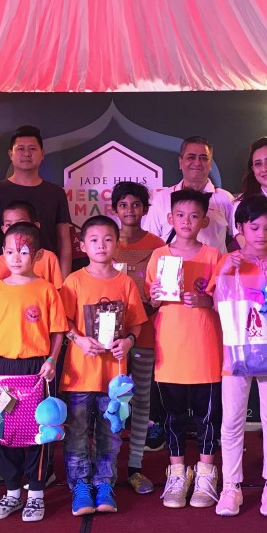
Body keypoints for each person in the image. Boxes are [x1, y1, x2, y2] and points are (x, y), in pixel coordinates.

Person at [209, 195, 267, 518]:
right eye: (254, 226)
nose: (261, 233)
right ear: (240, 228)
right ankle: (231, 486)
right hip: (235, 356)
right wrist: (223, 275)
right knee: (231, 421)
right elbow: (214, 305)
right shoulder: (227, 260)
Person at [0, 222, 67, 522]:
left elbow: (58, 332)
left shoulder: (47, 289)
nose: (16, 257)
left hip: (35, 368)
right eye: (11, 251)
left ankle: (36, 492)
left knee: (39, 433)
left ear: (38, 255)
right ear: (2, 253)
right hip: (0, 369)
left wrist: (51, 360)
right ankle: (12, 491)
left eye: (24, 252)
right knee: (1, 432)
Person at [59, 216, 148, 515]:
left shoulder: (125, 283)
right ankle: (80, 487)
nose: (101, 245)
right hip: (79, 376)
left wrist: (129, 342)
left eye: (108, 239)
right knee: (78, 432)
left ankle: (104, 484)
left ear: (117, 244)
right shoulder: (73, 280)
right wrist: (79, 340)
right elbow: (62, 323)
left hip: (116, 379)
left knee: (111, 433)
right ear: (82, 245)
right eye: (94, 240)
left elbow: (136, 325)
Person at [145, 189, 223, 509]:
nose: (187, 221)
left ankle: (206, 473)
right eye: (180, 215)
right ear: (170, 218)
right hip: (170, 352)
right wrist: (157, 294)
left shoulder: (214, 256)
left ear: (204, 220)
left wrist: (205, 300)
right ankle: (177, 473)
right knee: (173, 417)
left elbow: (223, 301)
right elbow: (152, 300)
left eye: (194, 216)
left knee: (207, 418)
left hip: (206, 351)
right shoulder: (158, 256)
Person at [111, 181, 167, 492]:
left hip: (144, 334)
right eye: (123, 205)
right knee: (108, 399)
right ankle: (106, 467)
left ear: (145, 209)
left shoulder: (158, 245)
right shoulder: (106, 241)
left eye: (136, 205)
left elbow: (161, 290)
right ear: (115, 209)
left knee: (141, 400)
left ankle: (135, 467)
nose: (130, 210)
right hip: (109, 341)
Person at [0, 125, 73, 289]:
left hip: (46, 279)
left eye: (32, 149)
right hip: (3, 280)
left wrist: (64, 287)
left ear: (42, 154)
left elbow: (64, 243)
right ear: (10, 154)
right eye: (20, 149)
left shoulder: (56, 193)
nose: (27, 154)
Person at [143, 136, 235, 254]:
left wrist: (227, 260)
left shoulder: (225, 199)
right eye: (191, 157)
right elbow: (149, 241)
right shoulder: (162, 198)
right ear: (180, 162)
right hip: (171, 270)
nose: (197, 163)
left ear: (210, 164)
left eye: (203, 158)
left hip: (213, 270)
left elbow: (241, 236)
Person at [0, 200, 64, 299]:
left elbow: (58, 293)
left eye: (20, 223)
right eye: (8, 225)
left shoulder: (49, 258)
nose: (15, 228)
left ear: (35, 226)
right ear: (3, 229)